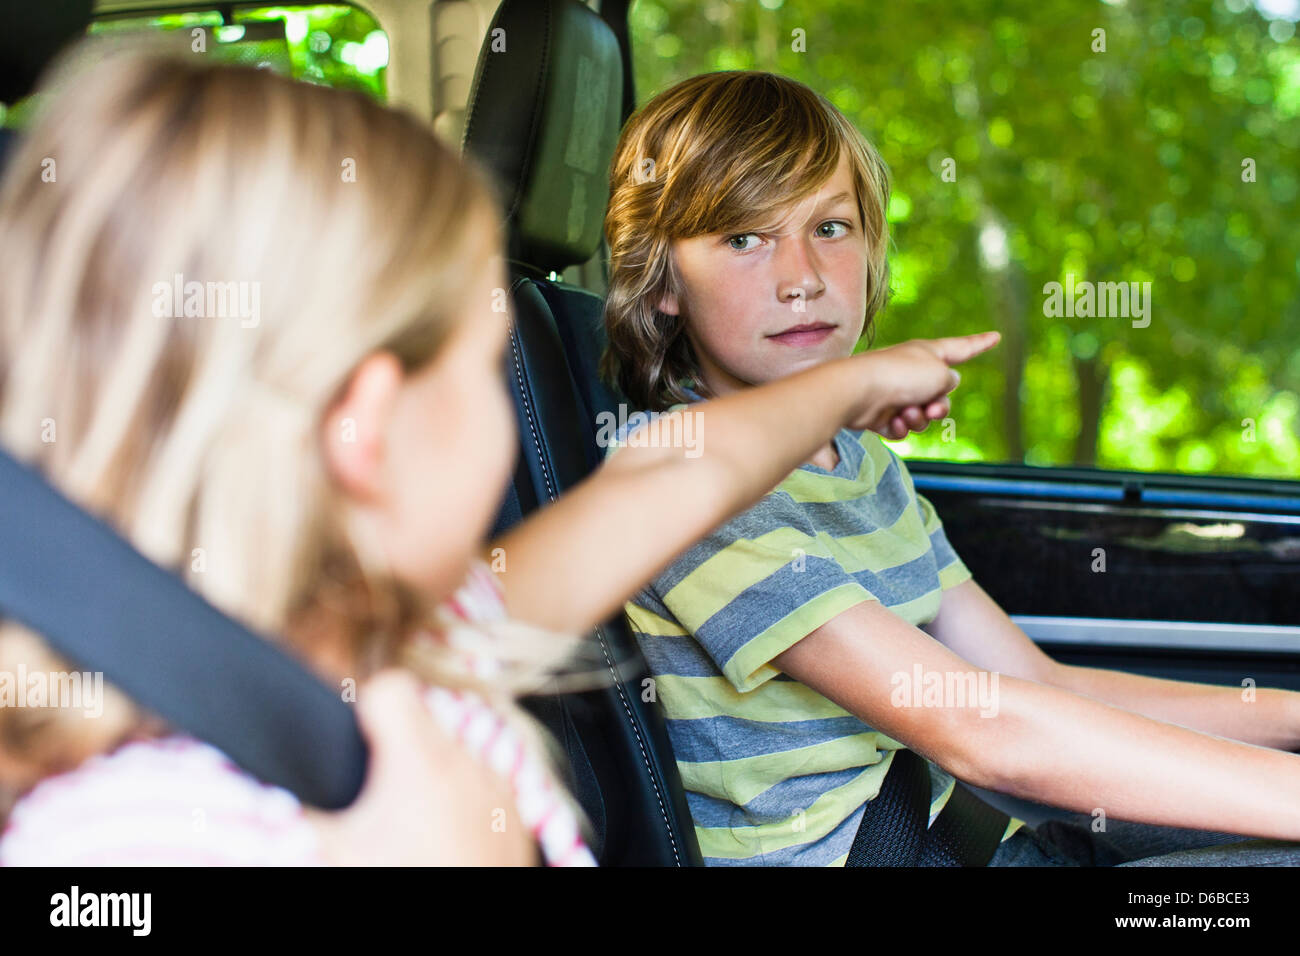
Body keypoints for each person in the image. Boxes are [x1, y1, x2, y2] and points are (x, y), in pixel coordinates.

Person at [0, 46, 991, 865]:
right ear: (371, 428)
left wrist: (855, 384)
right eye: (484, 371)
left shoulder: (433, 643)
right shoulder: (152, 832)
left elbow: (679, 470)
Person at [600, 69, 1300, 866]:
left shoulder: (862, 464)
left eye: (831, 228)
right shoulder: (693, 485)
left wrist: (1290, 715)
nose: (802, 278)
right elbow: (980, 729)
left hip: (958, 846)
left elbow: (1037, 686)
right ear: (661, 284)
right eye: (744, 239)